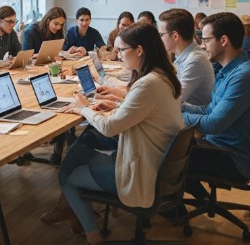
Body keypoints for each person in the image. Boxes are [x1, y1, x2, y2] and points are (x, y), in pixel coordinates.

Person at [42, 22, 183, 244]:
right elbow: (146, 114)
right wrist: (116, 107)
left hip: (141, 174)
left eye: (121, 50)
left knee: (67, 177)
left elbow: (109, 128)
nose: (118, 56)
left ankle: (93, 234)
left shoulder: (148, 84)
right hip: (157, 166)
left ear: (139, 50)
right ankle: (74, 213)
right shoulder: (163, 75)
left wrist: (83, 107)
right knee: (79, 151)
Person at [182, 12, 250, 202]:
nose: (202, 45)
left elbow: (213, 124)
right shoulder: (229, 70)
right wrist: (179, 107)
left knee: (164, 157)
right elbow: (209, 110)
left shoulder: (243, 76)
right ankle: (200, 200)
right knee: (169, 146)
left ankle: (173, 208)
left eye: (205, 39)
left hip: (231, 158)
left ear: (223, 40)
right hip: (220, 146)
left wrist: (176, 117)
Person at [159, 8, 214, 105]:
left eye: (161, 34)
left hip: (192, 117)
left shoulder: (195, 60)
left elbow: (175, 98)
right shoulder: (183, 55)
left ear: (175, 36)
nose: (160, 39)